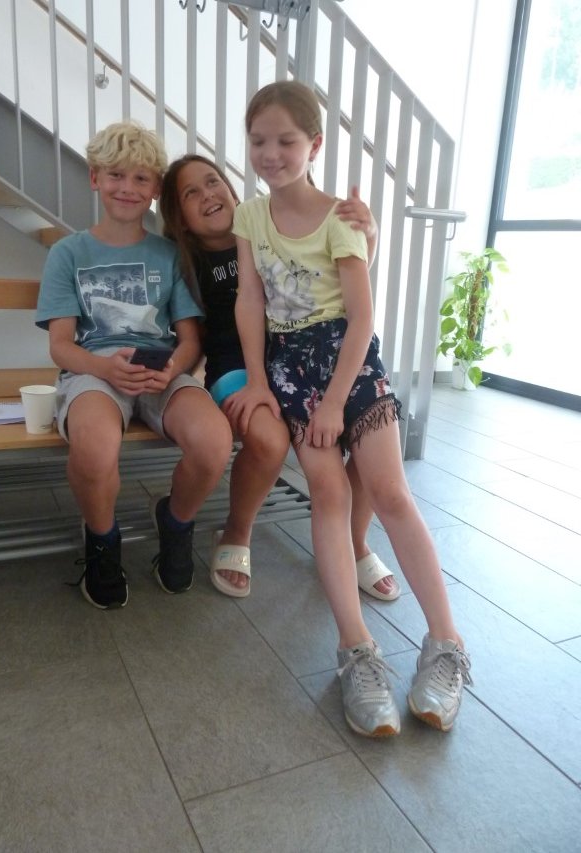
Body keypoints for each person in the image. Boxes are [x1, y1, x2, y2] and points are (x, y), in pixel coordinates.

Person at [230, 80, 472, 736]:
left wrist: (336, 400)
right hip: (290, 366)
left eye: (285, 140)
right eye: (258, 140)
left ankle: (446, 644)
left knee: (390, 492)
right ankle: (356, 651)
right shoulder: (249, 217)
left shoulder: (343, 217)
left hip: (350, 362)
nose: (270, 153)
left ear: (314, 145)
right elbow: (250, 299)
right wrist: (258, 379)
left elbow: (362, 316)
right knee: (329, 493)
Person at [159, 154, 400, 602]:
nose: (208, 194)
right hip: (235, 368)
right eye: (191, 193)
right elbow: (188, 334)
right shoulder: (183, 263)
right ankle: (237, 530)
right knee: (270, 441)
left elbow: (333, 278)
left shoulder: (271, 227)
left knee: (367, 428)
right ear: (181, 219)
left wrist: (370, 235)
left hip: (300, 358)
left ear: (230, 188)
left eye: (213, 181)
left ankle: (354, 541)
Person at [36, 121, 233, 609]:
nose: (128, 187)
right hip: (94, 373)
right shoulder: (67, 253)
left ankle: (176, 521)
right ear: (95, 178)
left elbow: (190, 339)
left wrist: (173, 368)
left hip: (162, 371)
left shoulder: (169, 255)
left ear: (155, 189)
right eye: (116, 175)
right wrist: (104, 369)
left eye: (141, 178)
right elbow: (60, 346)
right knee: (95, 447)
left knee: (214, 442)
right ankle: (103, 541)